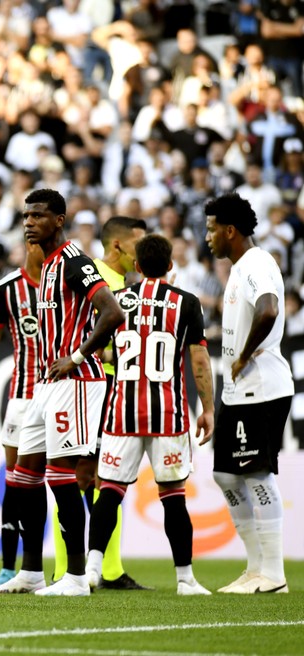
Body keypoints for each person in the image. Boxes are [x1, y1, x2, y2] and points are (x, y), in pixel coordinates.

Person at [0, 188, 125, 597]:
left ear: (59, 220)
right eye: (26, 215)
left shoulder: (73, 261)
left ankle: (77, 578)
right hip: (45, 385)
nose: (29, 221)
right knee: (24, 475)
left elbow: (112, 311)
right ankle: (30, 572)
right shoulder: (46, 266)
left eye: (38, 215)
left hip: (77, 382)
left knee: (62, 475)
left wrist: (78, 356)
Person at [85, 233, 216, 595]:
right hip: (167, 415)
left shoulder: (116, 302)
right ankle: (186, 579)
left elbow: (103, 354)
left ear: (137, 266)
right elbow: (199, 361)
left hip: (121, 414)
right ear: (171, 266)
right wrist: (208, 408)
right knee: (173, 494)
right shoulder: (186, 303)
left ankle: (93, 569)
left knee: (108, 492)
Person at [52, 215, 150, 591]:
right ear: (119, 246)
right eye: (137, 244)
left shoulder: (128, 284)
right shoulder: (91, 276)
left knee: (111, 478)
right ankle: (67, 568)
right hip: (89, 390)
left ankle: (109, 569)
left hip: (117, 393)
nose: (141, 253)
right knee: (75, 476)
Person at [204, 193, 293, 594]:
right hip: (237, 392)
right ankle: (255, 568)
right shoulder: (241, 267)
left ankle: (273, 573)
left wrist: (242, 356)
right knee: (225, 474)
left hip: (261, 388)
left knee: (256, 472)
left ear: (229, 231)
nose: (207, 237)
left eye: (211, 229)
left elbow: (270, 309)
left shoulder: (257, 263)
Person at [0, 240, 44, 586]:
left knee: (62, 480)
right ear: (28, 246)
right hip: (22, 397)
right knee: (16, 481)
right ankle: (8, 567)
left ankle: (73, 566)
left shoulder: (70, 281)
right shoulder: (6, 289)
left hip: (63, 394)